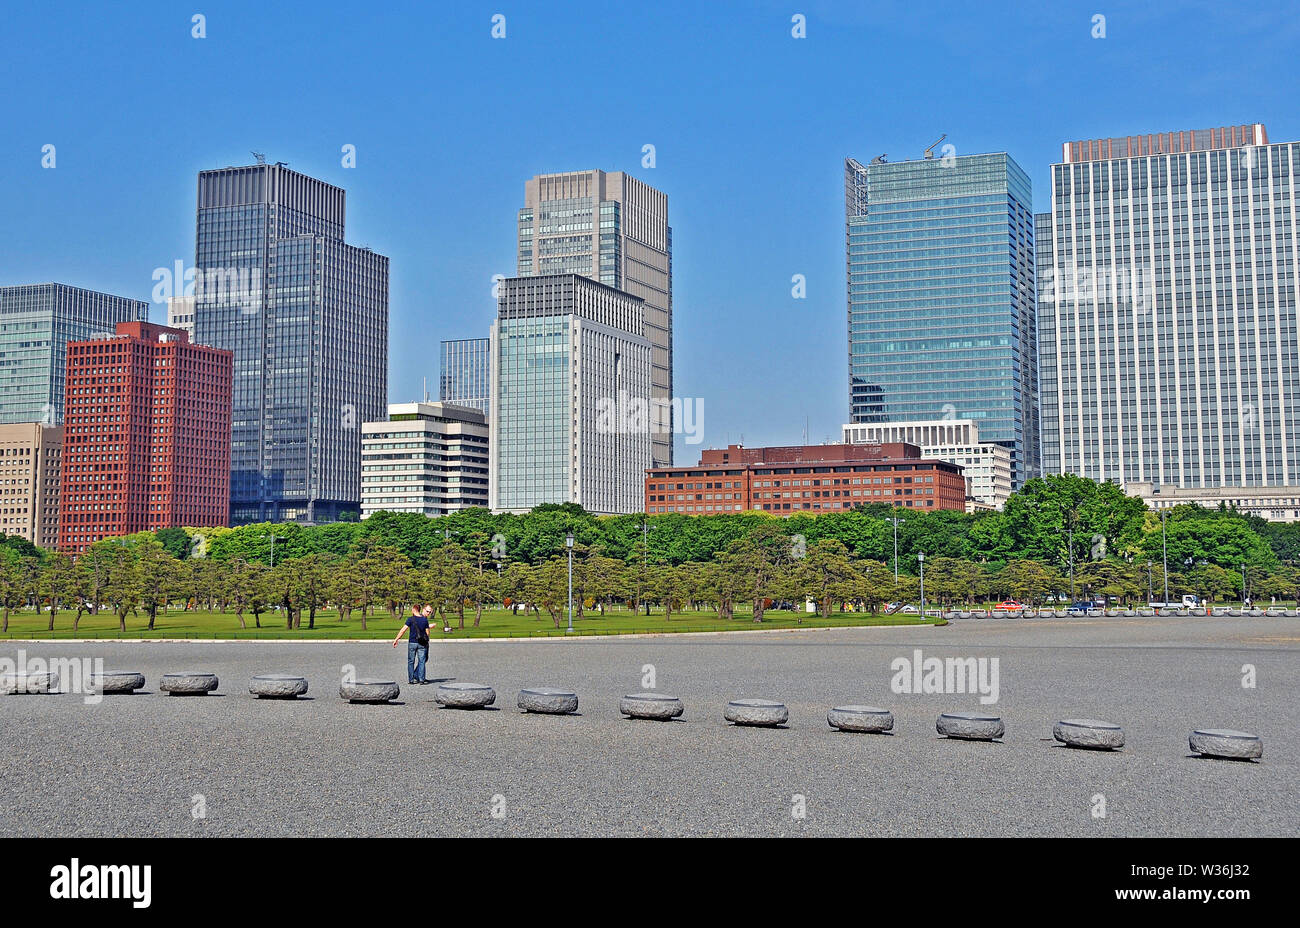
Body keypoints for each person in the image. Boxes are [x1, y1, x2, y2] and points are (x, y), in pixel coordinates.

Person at [392, 604, 433, 684]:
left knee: (411, 661)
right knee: (422, 661)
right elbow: (427, 633)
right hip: (421, 644)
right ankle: (421, 679)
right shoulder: (424, 620)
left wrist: (396, 639)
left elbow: (403, 630)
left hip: (412, 642)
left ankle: (411, 679)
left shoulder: (410, 619)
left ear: (414, 610)